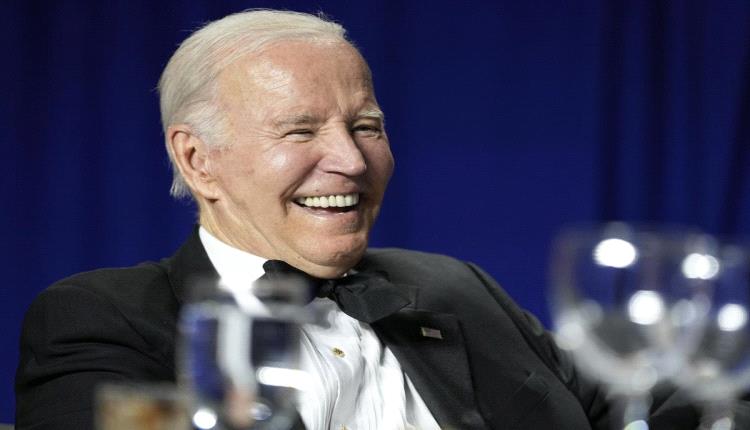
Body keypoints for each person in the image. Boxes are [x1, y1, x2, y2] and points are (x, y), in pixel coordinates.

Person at [15, 9, 711, 430]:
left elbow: (650, 407)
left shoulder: (456, 289)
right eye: (300, 130)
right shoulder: (104, 319)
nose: (351, 160)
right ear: (198, 160)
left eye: (367, 126)